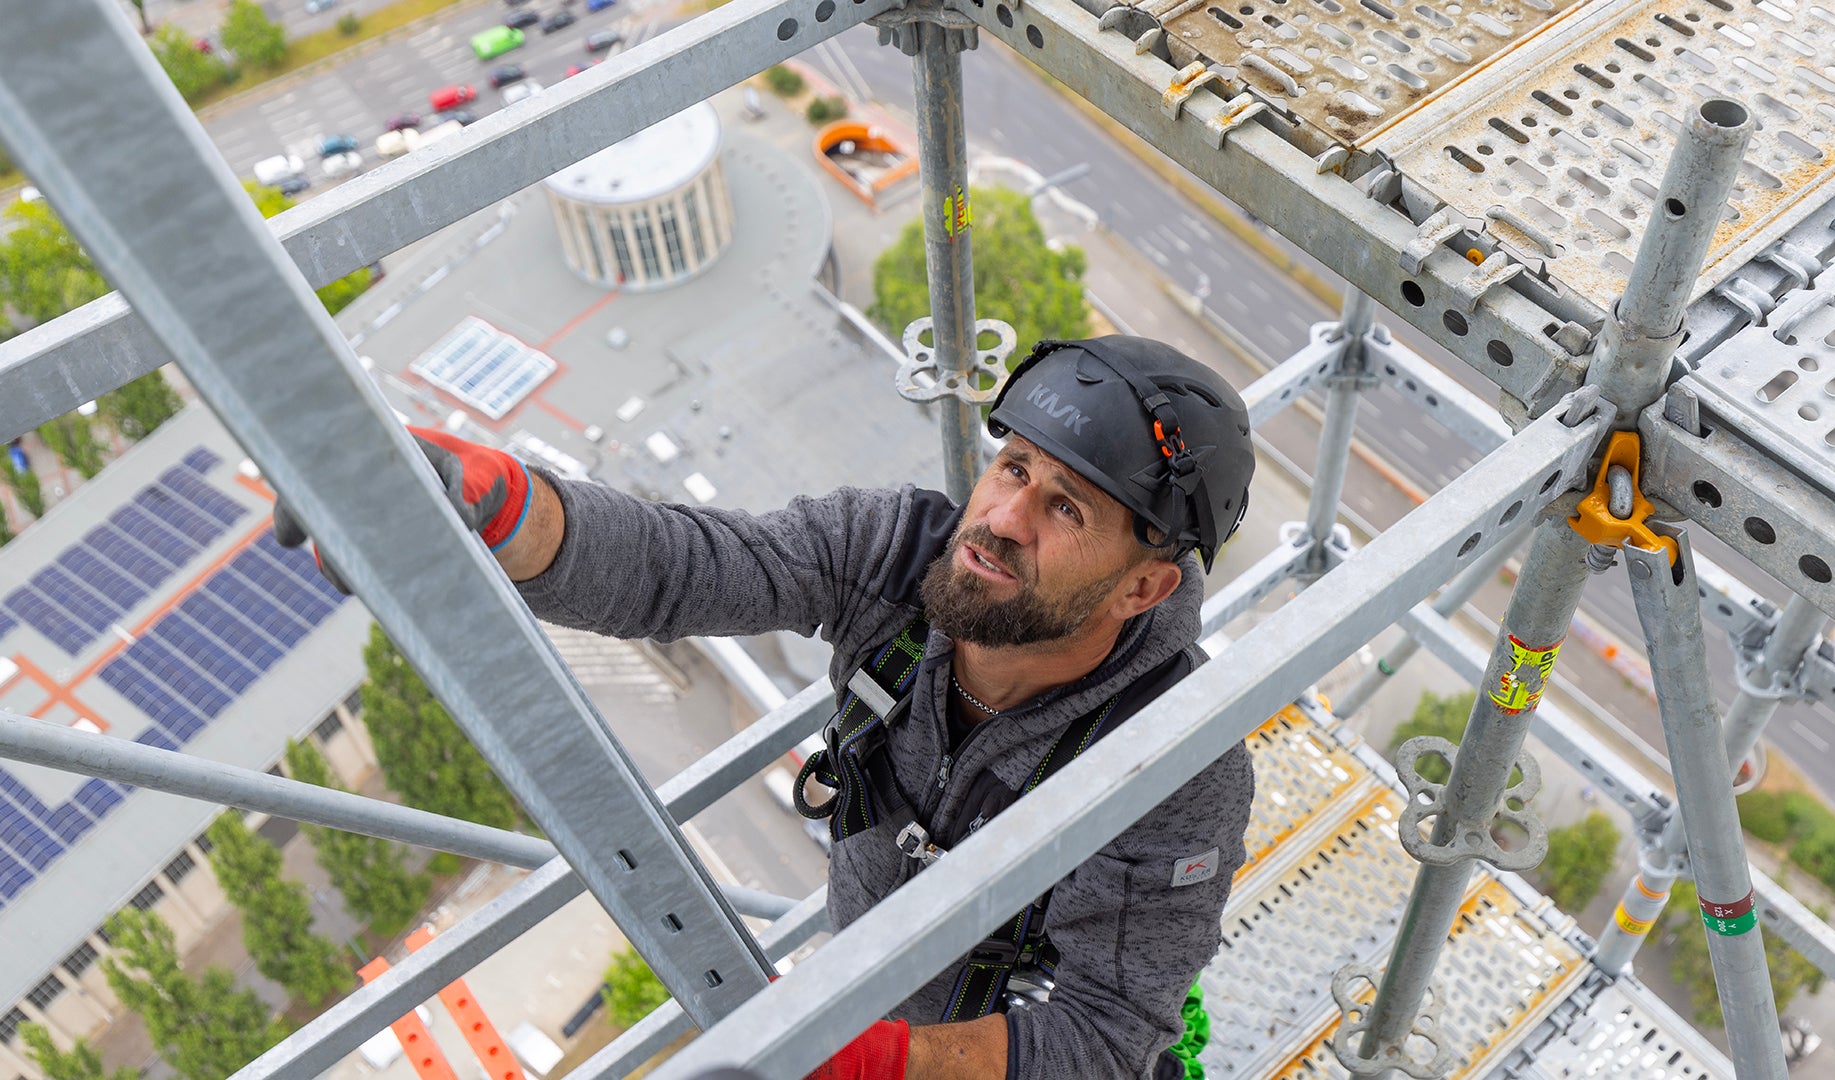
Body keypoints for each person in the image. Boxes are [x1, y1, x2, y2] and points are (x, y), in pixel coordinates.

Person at [277, 336, 1260, 1079]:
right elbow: (681, 567)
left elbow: (1103, 1038)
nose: (1002, 520)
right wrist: (497, 507)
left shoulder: (1176, 763)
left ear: (1143, 588)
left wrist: (876, 1061)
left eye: (1066, 508)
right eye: (1013, 468)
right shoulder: (897, 556)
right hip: (872, 996)